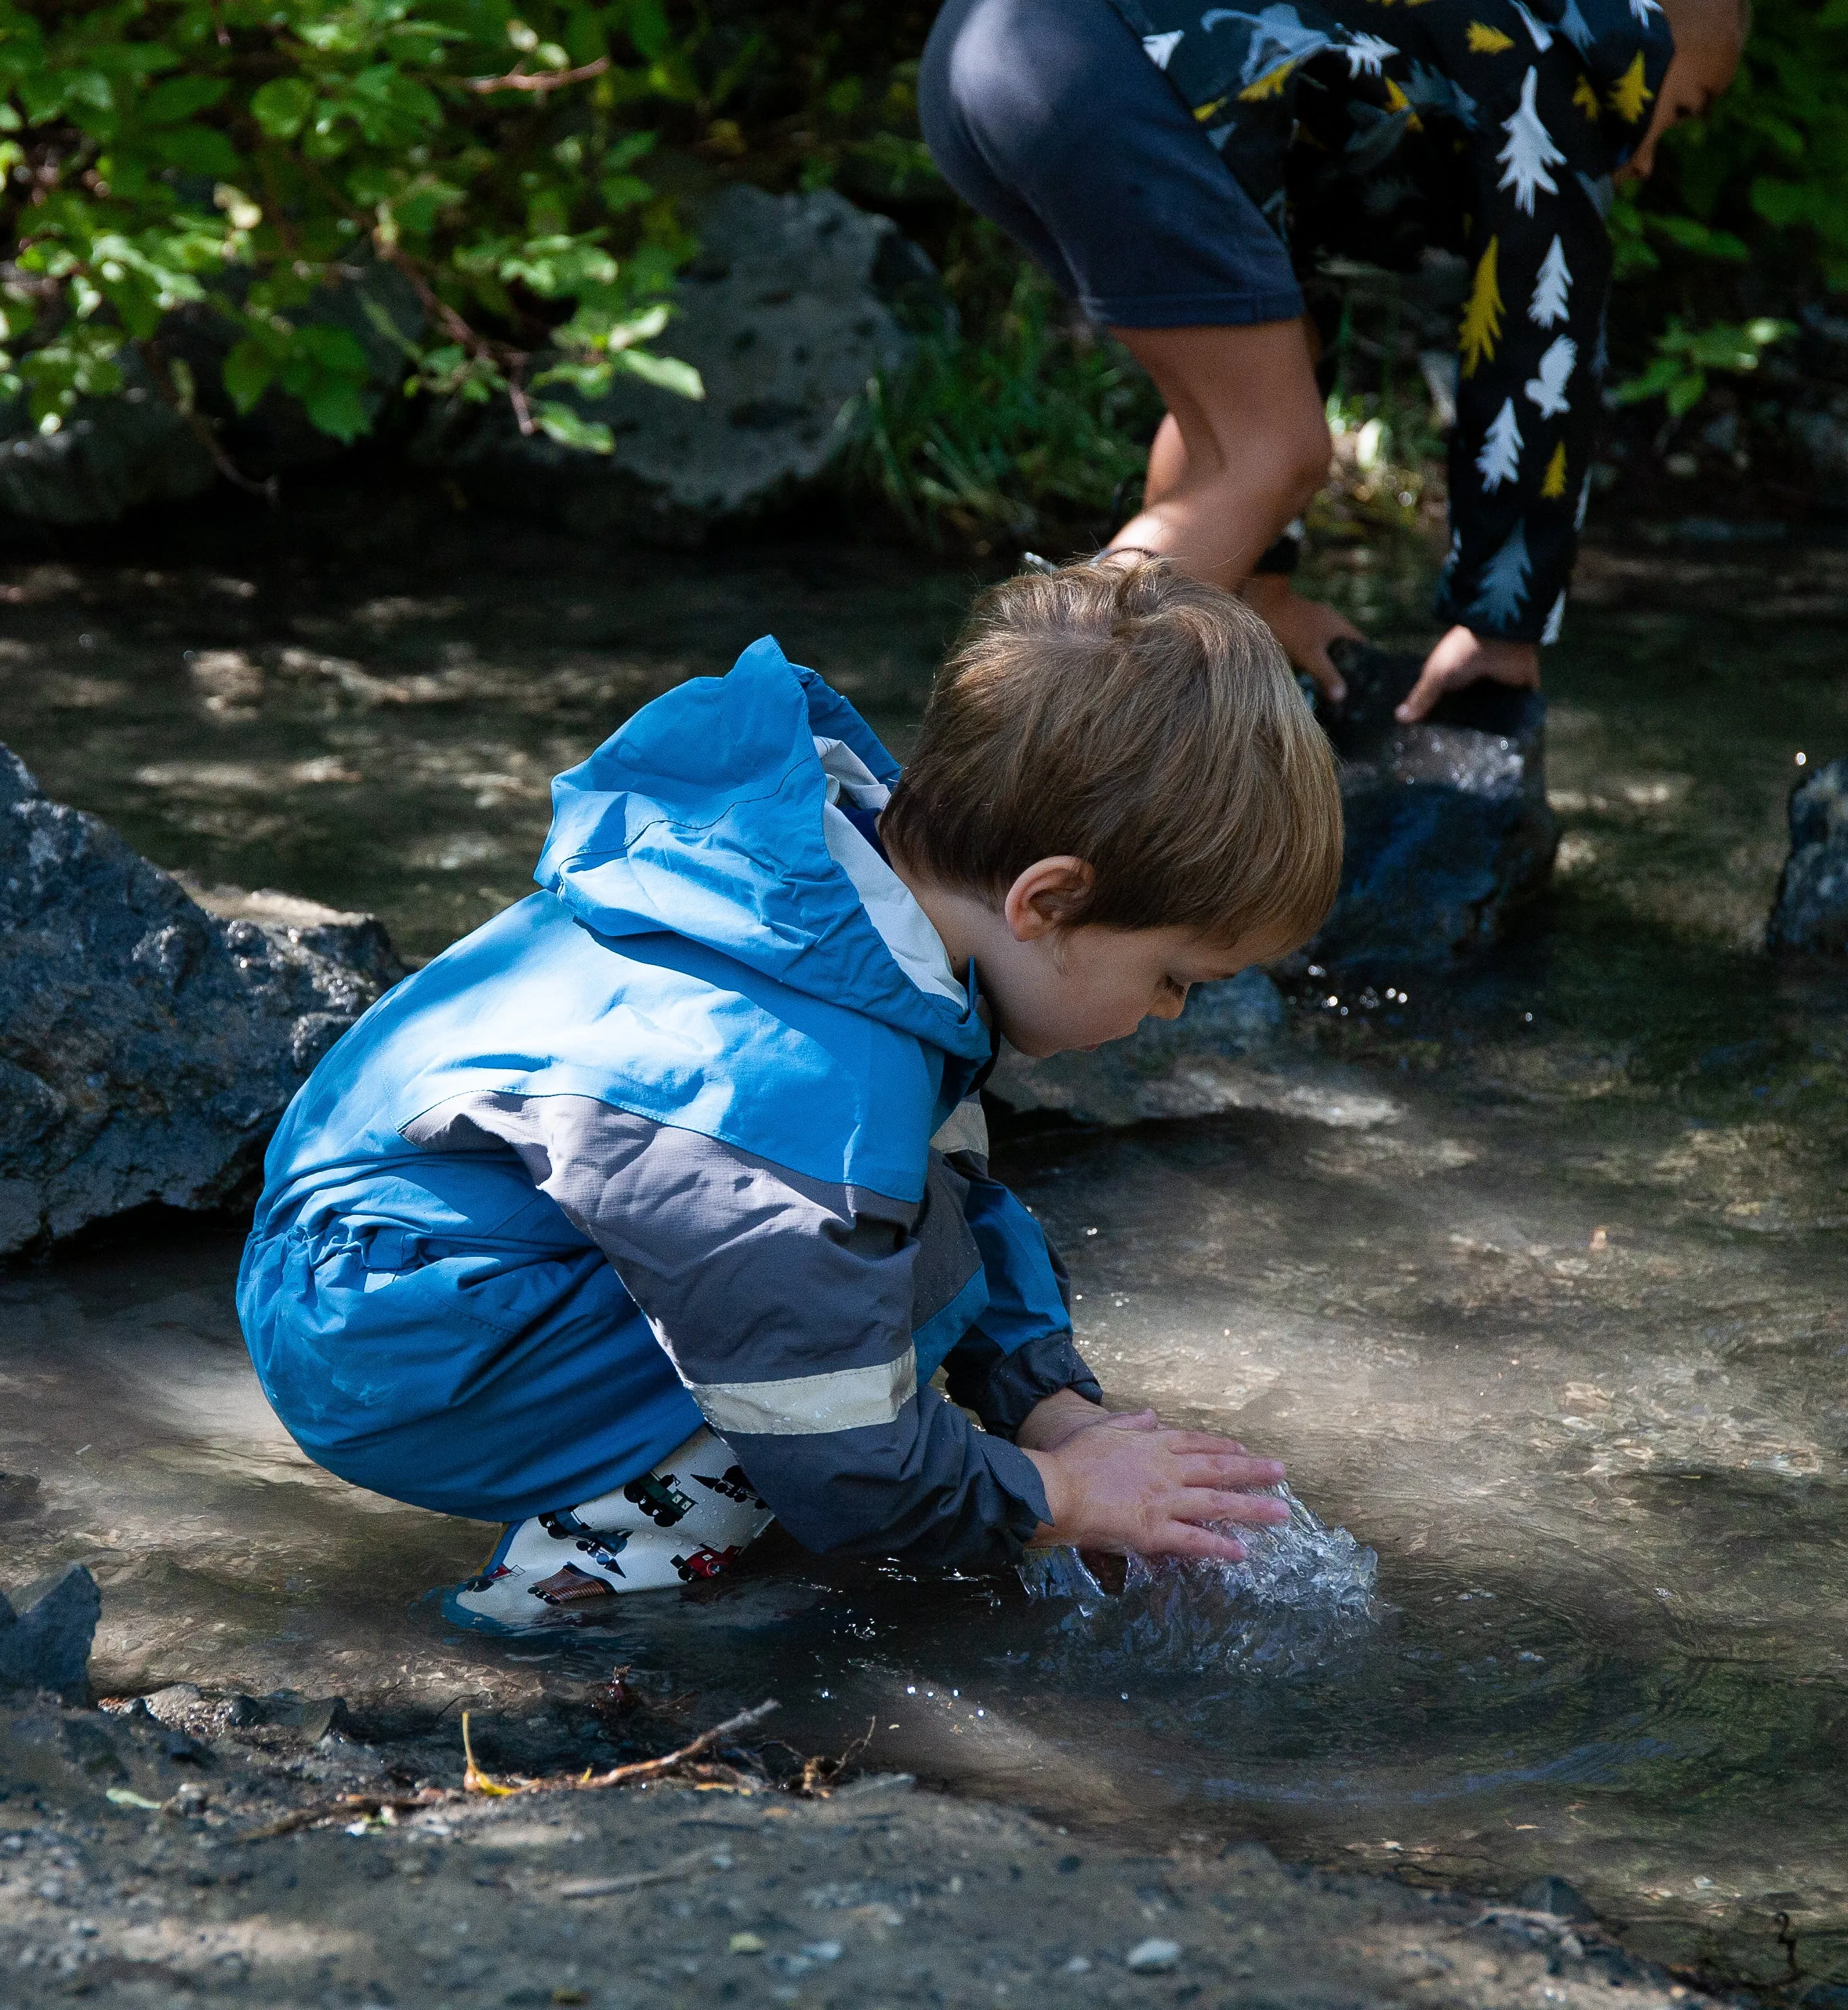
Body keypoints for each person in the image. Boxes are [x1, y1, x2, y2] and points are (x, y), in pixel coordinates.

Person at [234, 559, 1339, 1628]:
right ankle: (566, 1610)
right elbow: (842, 1441)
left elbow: (946, 1196)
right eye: (1174, 980)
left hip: (402, 1253)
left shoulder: (845, 889)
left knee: (864, 1260)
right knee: (814, 1356)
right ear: (1045, 902)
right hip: (390, 1341)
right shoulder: (806, 1072)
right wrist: (1067, 1499)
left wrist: (1046, 1402)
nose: (1171, 1016)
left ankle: (640, 1462)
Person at [921, 0, 1747, 722]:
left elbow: (1291, 305)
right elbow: (1540, 350)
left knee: (1227, 435)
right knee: (1278, 453)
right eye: (1680, 113)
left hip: (989, 54)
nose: (1644, 164)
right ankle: (1012, 750)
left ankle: (1193, 637)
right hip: (1105, 63)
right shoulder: (1564, 78)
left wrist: (1266, 589)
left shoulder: (1464, 23)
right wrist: (1501, 627)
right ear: (1653, 39)